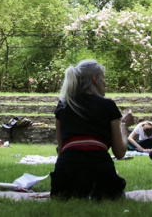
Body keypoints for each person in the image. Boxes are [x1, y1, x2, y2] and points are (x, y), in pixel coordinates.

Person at [50, 59, 135, 200]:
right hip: (100, 173)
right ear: (95, 79)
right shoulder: (108, 105)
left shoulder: (63, 105)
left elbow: (61, 151)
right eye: (104, 79)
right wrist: (124, 126)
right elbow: (120, 153)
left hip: (65, 180)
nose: (105, 84)